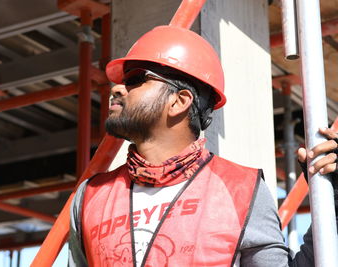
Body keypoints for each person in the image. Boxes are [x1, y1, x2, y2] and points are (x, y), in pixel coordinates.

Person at [68, 25, 338, 266]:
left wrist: (334, 199)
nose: (117, 89)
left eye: (135, 79)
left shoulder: (241, 190)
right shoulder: (90, 197)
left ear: (179, 101)